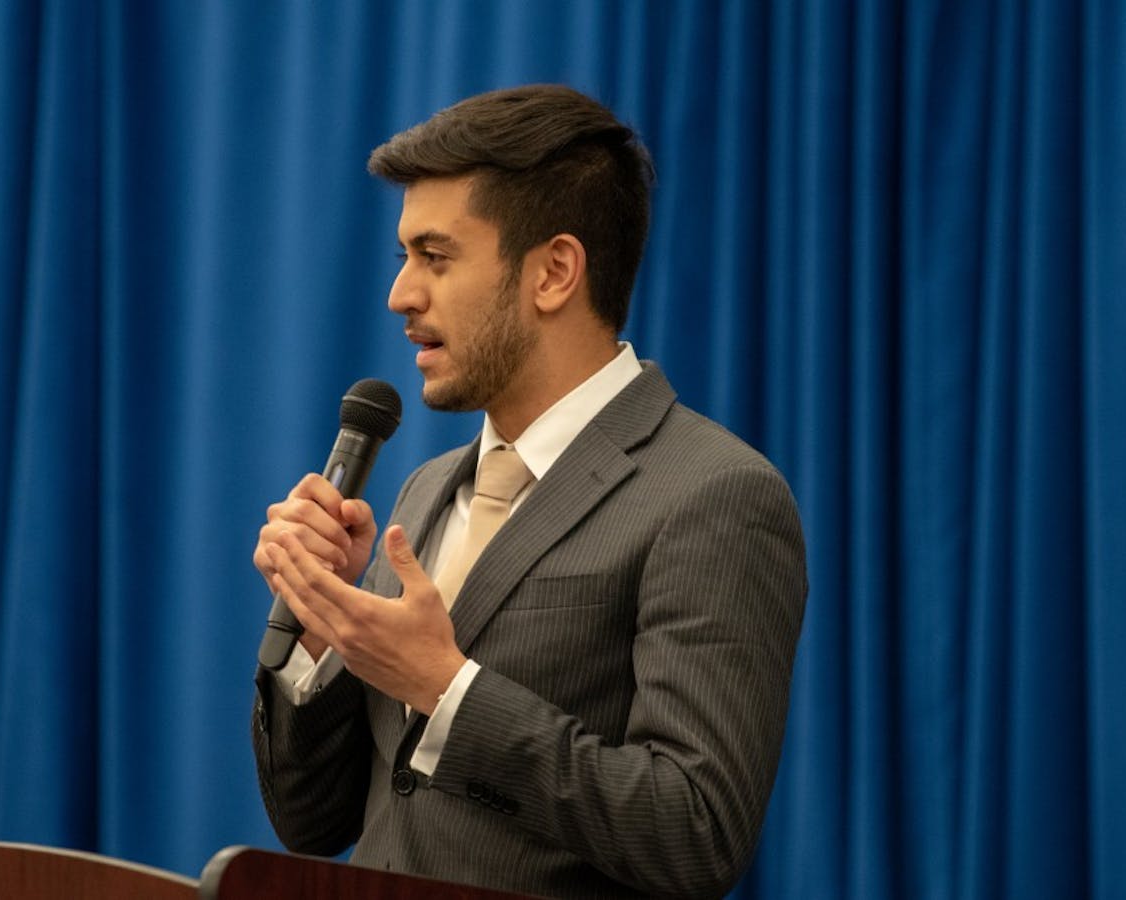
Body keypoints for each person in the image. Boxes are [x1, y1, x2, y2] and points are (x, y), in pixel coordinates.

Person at [251, 84, 807, 899]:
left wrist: (447, 689)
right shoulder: (425, 491)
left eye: (435, 257)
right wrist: (320, 629)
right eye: (404, 258)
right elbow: (315, 823)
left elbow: (696, 832)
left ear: (553, 272)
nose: (400, 295)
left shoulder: (714, 495)